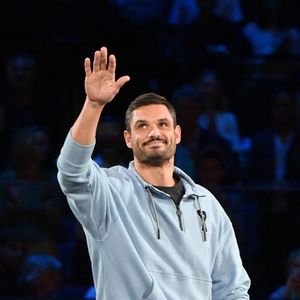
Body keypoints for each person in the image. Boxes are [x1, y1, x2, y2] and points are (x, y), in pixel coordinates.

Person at [57, 46, 250, 299]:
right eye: (142, 126)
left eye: (162, 124)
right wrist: (93, 105)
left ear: (177, 134)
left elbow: (232, 288)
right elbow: (71, 173)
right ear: (128, 138)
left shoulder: (207, 203)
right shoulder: (109, 191)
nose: (154, 133)